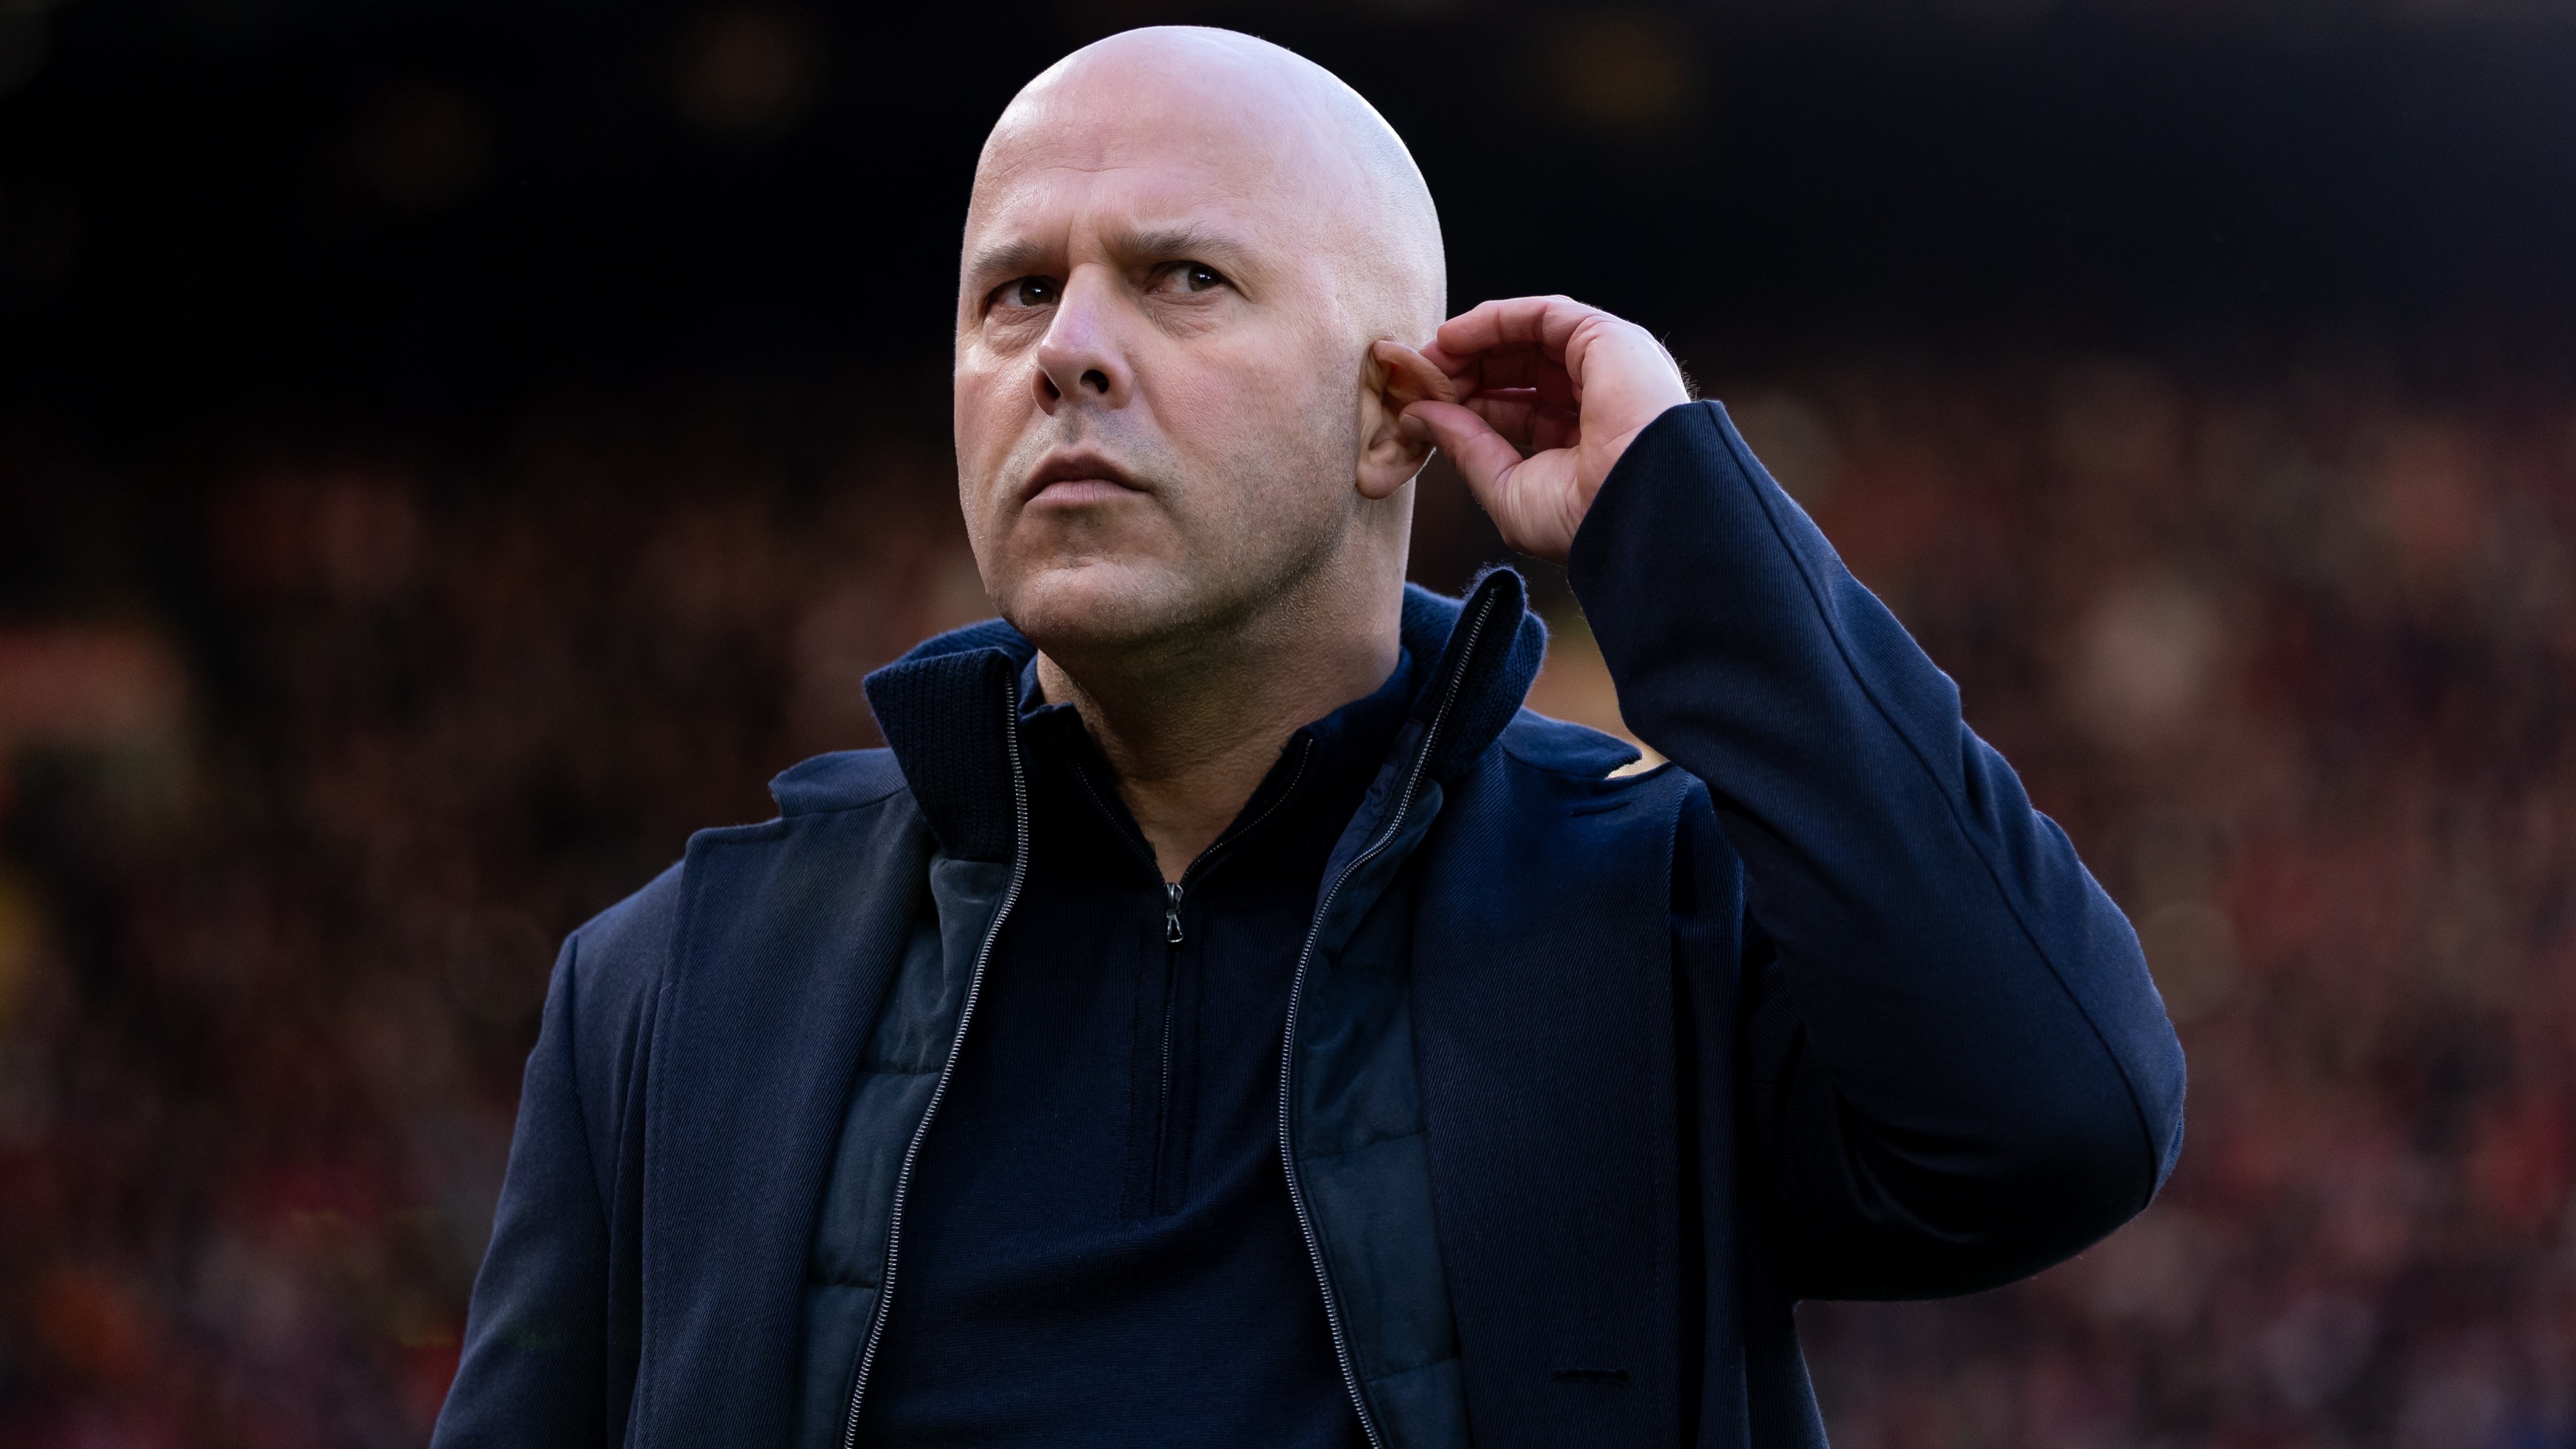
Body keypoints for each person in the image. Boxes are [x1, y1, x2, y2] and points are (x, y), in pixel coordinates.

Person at [431, 25, 2185, 1449]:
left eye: (1184, 278)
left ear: (1392, 420)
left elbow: (2056, 1117)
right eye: (1014, 292)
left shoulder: (1658, 922)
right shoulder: (669, 987)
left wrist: (1676, 524)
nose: (1070, 353)